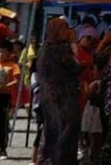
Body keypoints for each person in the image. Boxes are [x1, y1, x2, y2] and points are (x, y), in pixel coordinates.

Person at [36, 18, 81, 165]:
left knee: (53, 132)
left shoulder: (45, 48)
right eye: (63, 28)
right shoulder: (58, 49)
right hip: (62, 98)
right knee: (63, 134)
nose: (67, 31)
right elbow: (76, 66)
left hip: (52, 97)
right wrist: (74, 43)